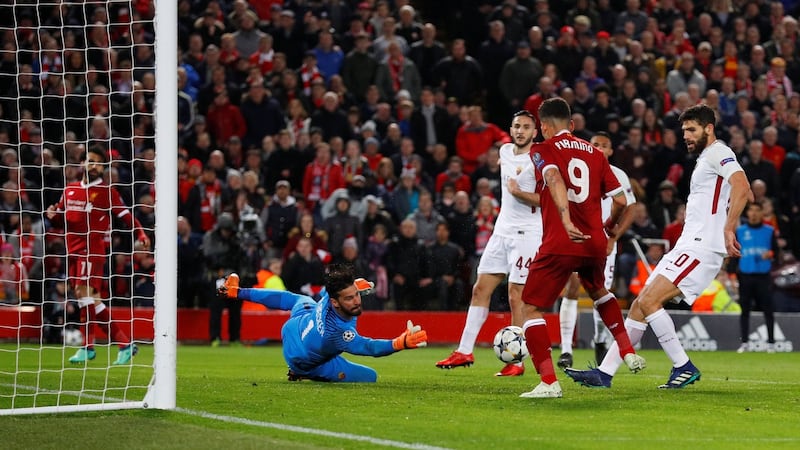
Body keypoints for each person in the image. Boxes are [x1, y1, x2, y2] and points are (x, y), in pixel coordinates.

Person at [566, 104, 753, 390]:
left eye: (691, 130)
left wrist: (728, 227)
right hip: (688, 245)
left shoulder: (720, 152)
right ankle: (604, 373)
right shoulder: (707, 158)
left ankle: (683, 365)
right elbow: (738, 191)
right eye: (684, 131)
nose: (686, 136)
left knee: (650, 301)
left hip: (702, 248)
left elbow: (742, 187)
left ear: (709, 128)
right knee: (640, 305)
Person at [518, 98, 645, 399]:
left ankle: (549, 382)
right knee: (599, 291)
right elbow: (622, 202)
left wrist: (564, 218)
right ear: (572, 125)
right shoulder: (596, 154)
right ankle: (626, 350)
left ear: (544, 127)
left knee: (530, 307)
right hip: (595, 243)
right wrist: (609, 226)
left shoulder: (542, 149)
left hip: (562, 241)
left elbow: (553, 178)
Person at [436, 110, 542, 377]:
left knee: (516, 297)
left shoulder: (541, 159)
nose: (520, 131)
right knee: (479, 289)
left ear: (535, 132)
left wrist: (520, 192)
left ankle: (517, 361)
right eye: (517, 126)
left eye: (526, 127)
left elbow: (548, 201)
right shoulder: (505, 151)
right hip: (501, 232)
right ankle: (464, 350)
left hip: (527, 234)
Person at [218, 264, 428, 382]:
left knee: (298, 299)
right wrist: (399, 343)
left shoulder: (330, 297)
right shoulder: (338, 334)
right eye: (349, 298)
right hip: (299, 358)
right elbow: (368, 346)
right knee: (370, 377)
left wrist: (354, 285)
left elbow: (322, 292)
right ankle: (300, 373)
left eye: (356, 294)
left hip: (297, 325)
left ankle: (238, 291)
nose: (356, 301)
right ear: (336, 302)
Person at [45, 147, 149, 364]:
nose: (94, 166)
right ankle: (125, 344)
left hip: (91, 253)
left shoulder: (106, 192)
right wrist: (53, 216)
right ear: (82, 163)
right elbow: (62, 220)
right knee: (92, 301)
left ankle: (87, 347)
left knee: (85, 297)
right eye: (91, 161)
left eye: (99, 163)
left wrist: (140, 232)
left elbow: (126, 215)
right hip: (72, 253)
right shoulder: (70, 189)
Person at [557, 131, 638, 369]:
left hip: (603, 243)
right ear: (587, 146)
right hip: (577, 238)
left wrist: (614, 235)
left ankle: (600, 340)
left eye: (605, 145)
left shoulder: (618, 175)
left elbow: (630, 207)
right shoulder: (576, 168)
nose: (600, 148)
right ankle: (566, 350)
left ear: (611, 151)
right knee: (571, 289)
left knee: (600, 292)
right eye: (595, 144)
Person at [733, 202, 779, 353]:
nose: (753, 213)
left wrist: (770, 254)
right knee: (744, 310)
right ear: (747, 214)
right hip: (745, 276)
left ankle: (771, 343)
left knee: (768, 310)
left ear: (761, 213)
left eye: (756, 210)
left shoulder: (769, 231)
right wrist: (733, 275)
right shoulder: (740, 231)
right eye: (751, 210)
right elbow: (734, 255)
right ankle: (745, 342)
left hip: (763, 277)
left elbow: (777, 253)